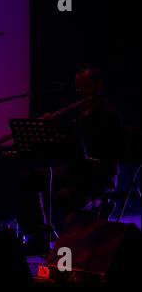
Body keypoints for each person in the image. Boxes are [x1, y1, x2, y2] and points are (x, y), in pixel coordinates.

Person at [18, 67, 123, 253]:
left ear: (98, 86)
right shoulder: (78, 113)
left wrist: (64, 128)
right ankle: (38, 236)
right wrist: (48, 126)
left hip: (98, 173)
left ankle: (75, 245)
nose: (80, 91)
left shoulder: (108, 114)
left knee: (66, 196)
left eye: (85, 86)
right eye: (77, 87)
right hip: (77, 169)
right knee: (28, 179)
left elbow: (103, 149)